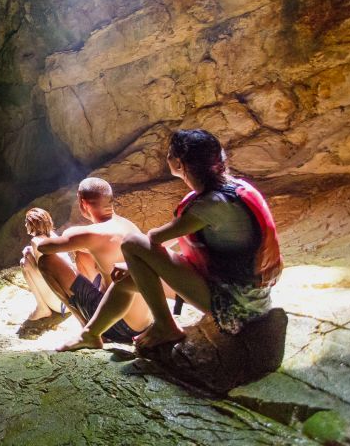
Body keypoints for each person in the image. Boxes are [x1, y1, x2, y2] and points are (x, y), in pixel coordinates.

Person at [57, 129, 282, 351]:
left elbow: (155, 238)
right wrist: (132, 266)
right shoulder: (236, 189)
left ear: (178, 164)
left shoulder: (212, 204)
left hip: (235, 307)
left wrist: (135, 259)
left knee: (132, 244)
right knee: (128, 280)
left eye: (169, 154)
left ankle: (166, 326)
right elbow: (173, 243)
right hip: (247, 296)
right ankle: (91, 334)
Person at [27, 178, 152, 344]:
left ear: (82, 202)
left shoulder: (88, 233)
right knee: (84, 254)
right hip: (145, 320)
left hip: (121, 327)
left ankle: (88, 329)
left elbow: (44, 248)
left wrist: (41, 235)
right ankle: (95, 319)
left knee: (46, 262)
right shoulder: (127, 225)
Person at [18, 208, 70, 336]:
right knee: (28, 254)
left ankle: (42, 308)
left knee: (24, 263)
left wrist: (28, 256)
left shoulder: (36, 242)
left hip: (61, 304)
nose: (25, 225)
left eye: (26, 222)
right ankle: (43, 306)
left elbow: (44, 271)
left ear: (32, 224)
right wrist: (29, 252)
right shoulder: (54, 236)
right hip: (71, 300)